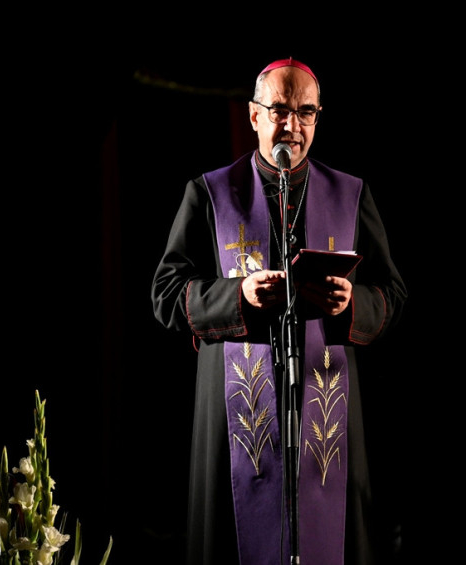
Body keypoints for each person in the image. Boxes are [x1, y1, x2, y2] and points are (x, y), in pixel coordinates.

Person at [151, 58, 407, 565]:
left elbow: (392, 294)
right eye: (279, 111)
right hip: (235, 418)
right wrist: (237, 295)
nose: (292, 124)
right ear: (254, 116)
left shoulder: (350, 194)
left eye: (305, 112)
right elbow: (165, 293)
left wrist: (350, 303)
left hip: (323, 408)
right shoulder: (209, 193)